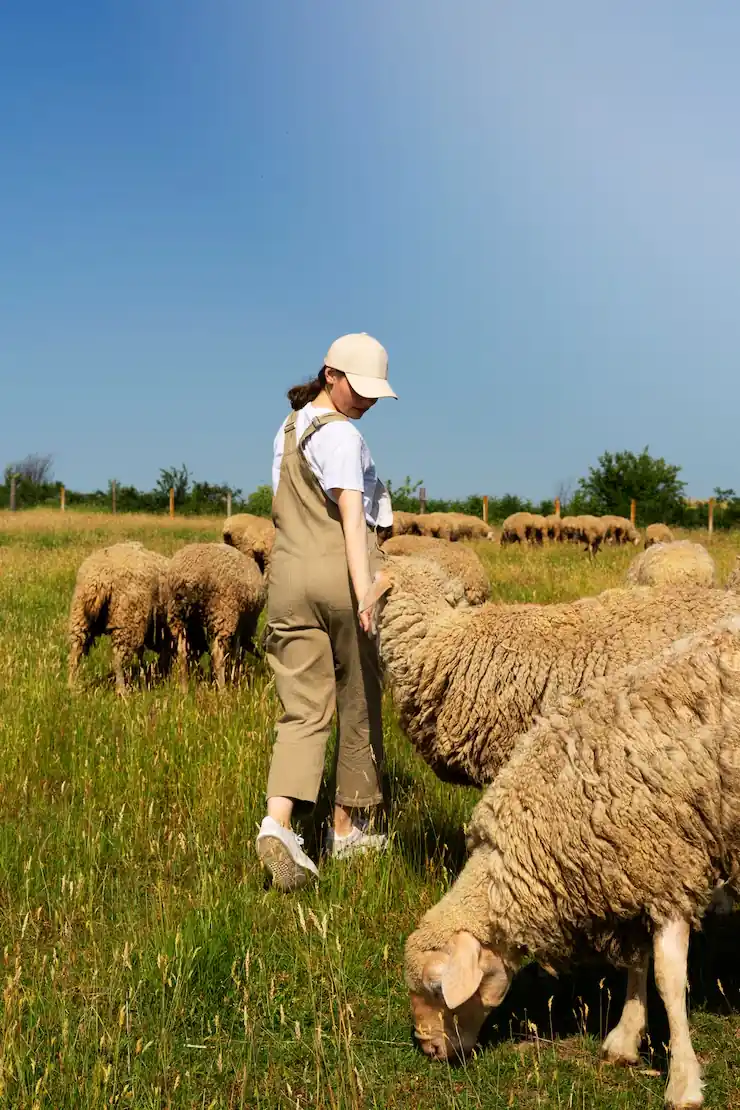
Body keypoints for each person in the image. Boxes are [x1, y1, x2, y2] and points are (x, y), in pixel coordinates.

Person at [255, 332, 398, 891]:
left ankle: (279, 822)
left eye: (372, 394)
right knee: (359, 696)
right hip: (340, 576)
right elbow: (349, 515)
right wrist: (365, 590)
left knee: (301, 710)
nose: (365, 401)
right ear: (330, 375)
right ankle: (346, 830)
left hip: (286, 580)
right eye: (358, 389)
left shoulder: (287, 431)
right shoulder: (343, 436)